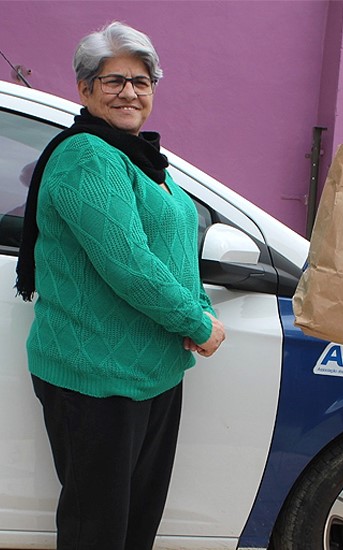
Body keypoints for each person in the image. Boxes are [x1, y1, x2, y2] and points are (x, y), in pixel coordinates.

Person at [15, 21, 226, 550]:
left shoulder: (141, 157)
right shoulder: (88, 156)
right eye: (113, 81)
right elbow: (127, 261)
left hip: (151, 373)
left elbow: (175, 248)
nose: (129, 92)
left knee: (135, 525)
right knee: (98, 530)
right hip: (96, 379)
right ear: (84, 89)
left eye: (141, 80)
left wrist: (194, 303)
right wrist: (196, 321)